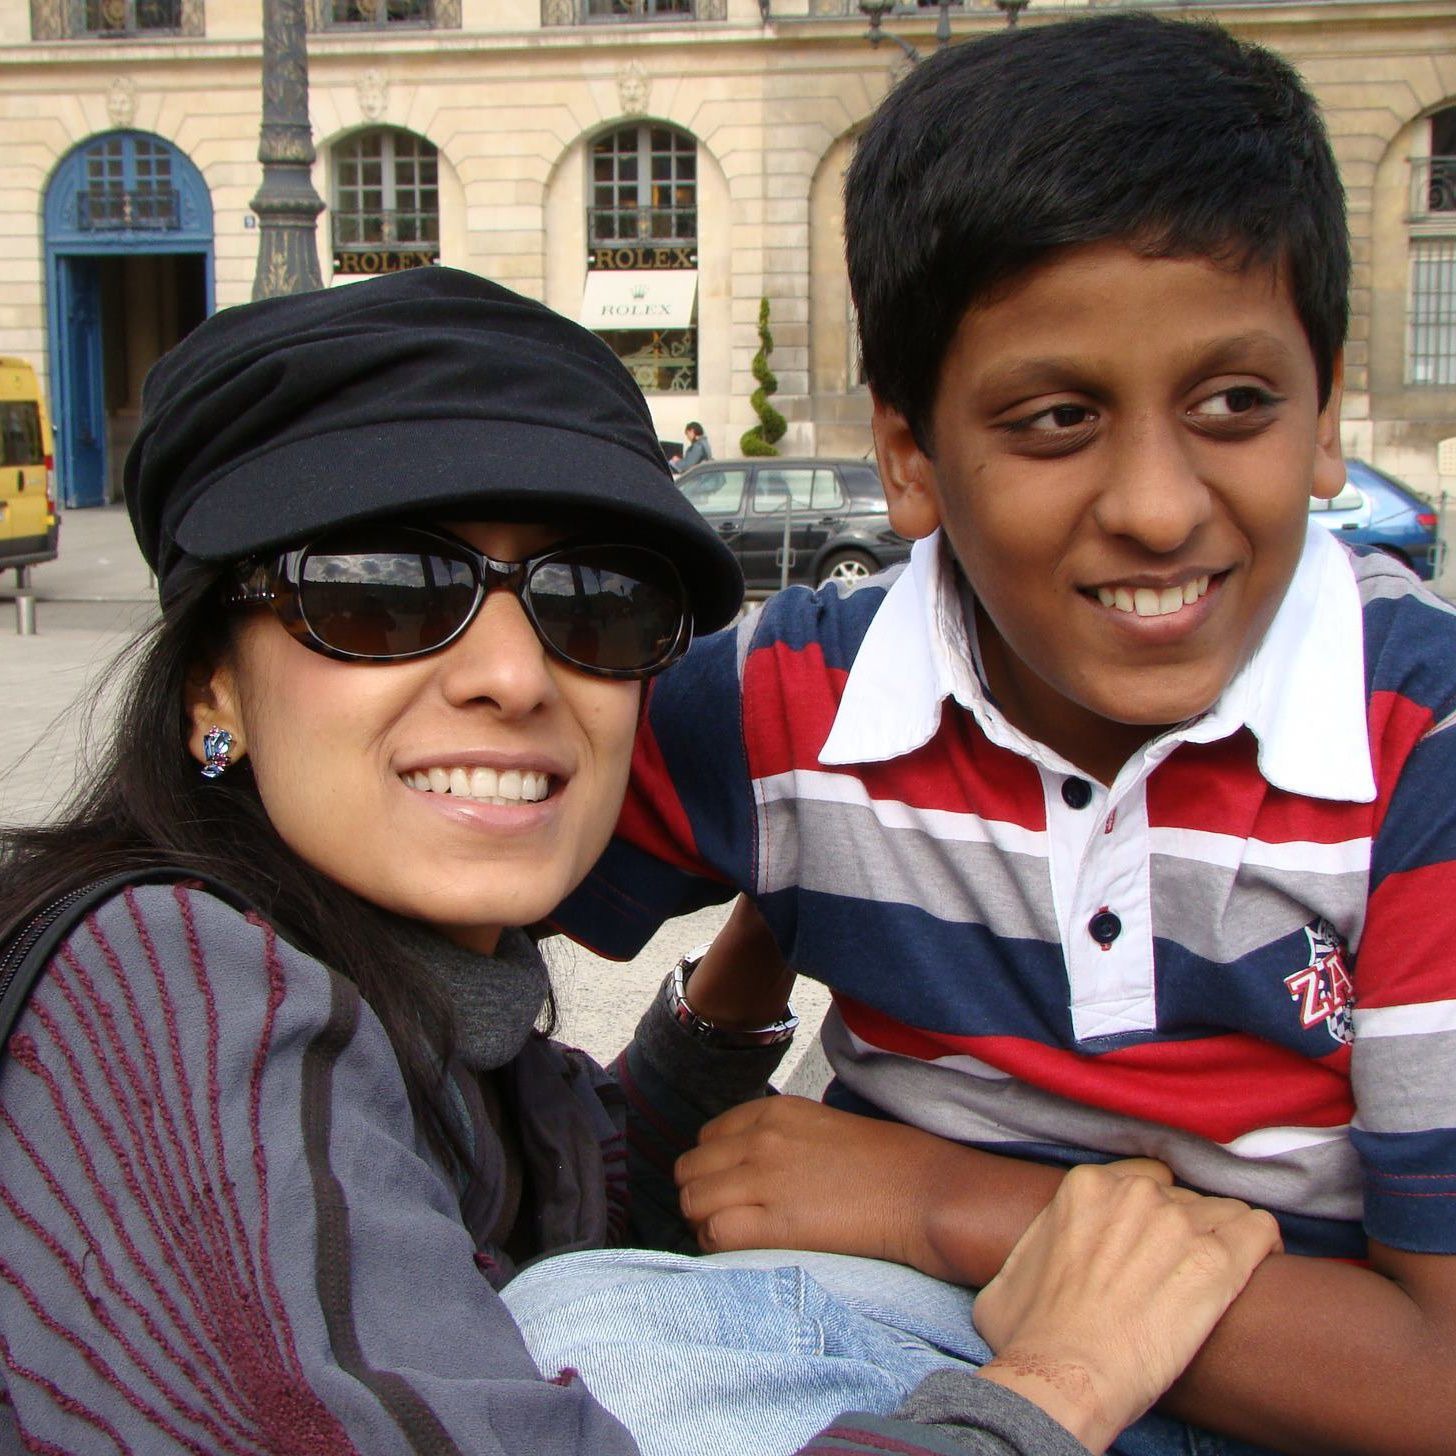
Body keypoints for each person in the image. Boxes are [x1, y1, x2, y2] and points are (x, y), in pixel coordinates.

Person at [0, 266, 1278, 1455]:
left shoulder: (420, 1006)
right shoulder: (168, 985)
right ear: (209, 684)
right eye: (378, 591)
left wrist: (768, 932)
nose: (511, 674)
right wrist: (1053, 1385)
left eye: (591, 600)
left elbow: (582, 1199)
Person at [554, 14, 1456, 1456]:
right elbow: (437, 890)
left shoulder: (1424, 744)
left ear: (1329, 410)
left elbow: (1440, 1376)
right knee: (572, 1345)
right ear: (910, 457)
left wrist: (934, 1199)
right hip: (900, 1348)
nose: (1159, 506)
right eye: (1055, 419)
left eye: (1235, 403)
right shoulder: (795, 703)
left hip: (1305, 1394)